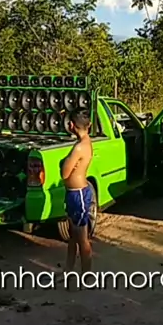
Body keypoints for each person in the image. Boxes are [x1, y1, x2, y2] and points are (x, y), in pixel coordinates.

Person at [61, 109, 94, 274]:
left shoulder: (79, 148)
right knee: (73, 236)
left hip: (78, 194)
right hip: (76, 192)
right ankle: (69, 270)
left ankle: (86, 275)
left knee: (82, 238)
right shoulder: (85, 142)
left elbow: (64, 173)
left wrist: (64, 163)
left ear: (72, 125)